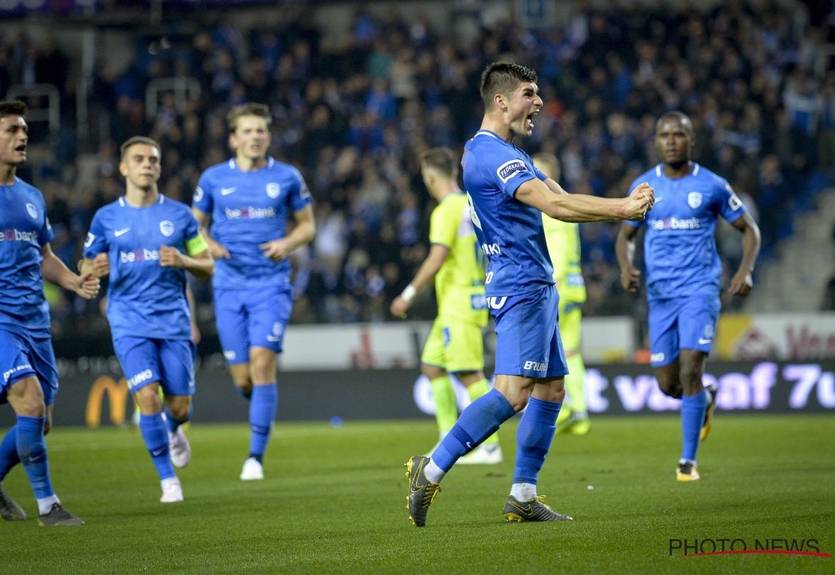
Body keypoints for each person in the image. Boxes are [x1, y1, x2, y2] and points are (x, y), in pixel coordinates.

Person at [405, 62, 654, 526]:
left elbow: (557, 191)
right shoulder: (493, 156)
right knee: (513, 392)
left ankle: (523, 494)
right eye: (529, 93)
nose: (538, 102)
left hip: (535, 285)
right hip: (520, 285)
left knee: (551, 389)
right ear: (501, 101)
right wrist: (623, 208)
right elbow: (556, 205)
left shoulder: (501, 153)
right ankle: (430, 468)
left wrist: (620, 205)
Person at [615, 111, 761, 482]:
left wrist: (745, 270)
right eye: (664, 135)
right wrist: (625, 267)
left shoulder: (712, 185)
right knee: (669, 385)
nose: (671, 141)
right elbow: (625, 236)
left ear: (691, 140)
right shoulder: (644, 186)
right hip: (660, 295)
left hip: (700, 290)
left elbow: (749, 230)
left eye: (678, 134)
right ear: (656, 141)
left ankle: (687, 462)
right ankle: (704, 399)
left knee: (691, 367)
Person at [81, 136, 213, 503]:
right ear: (124, 168)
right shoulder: (106, 218)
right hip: (128, 321)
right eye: (139, 159)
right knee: (147, 396)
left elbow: (208, 265)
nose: (147, 165)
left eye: (153, 159)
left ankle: (174, 429)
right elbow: (85, 263)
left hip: (173, 322)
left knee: (180, 407)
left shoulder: (181, 216)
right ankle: (168, 480)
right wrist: (92, 268)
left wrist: (184, 261)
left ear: (159, 167)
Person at [192, 103, 315, 481]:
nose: (255, 136)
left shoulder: (287, 176)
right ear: (234, 139)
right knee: (243, 378)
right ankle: (262, 401)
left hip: (271, 285)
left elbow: (307, 226)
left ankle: (255, 457)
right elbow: (193, 226)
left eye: (261, 130)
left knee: (263, 363)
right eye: (247, 130)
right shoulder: (213, 179)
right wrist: (208, 244)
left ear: (269, 136)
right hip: (228, 286)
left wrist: (287, 244)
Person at [0, 100, 99, 526]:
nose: (22, 136)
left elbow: (43, 256)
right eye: (11, 130)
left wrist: (73, 281)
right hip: (1, 321)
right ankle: (49, 506)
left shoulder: (32, 197)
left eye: (24, 130)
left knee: (39, 421)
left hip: (35, 323)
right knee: (29, 398)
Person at [390, 147, 501, 465]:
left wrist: (408, 293)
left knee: (469, 374)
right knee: (432, 366)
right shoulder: (470, 203)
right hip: (459, 301)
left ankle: (490, 447)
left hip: (460, 302)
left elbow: (437, 257)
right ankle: (446, 440)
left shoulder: (446, 210)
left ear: (429, 178)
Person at [532, 153, 590, 435]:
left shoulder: (549, 208)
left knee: (544, 349)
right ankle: (579, 411)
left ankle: (562, 407)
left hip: (558, 286)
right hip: (574, 287)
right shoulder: (565, 201)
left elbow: (557, 254)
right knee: (571, 350)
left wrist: (550, 285)